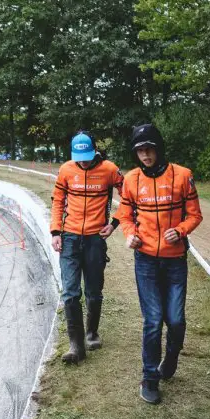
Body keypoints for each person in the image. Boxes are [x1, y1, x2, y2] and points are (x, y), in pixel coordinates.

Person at [115, 124, 203, 405]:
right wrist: (130, 235)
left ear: (159, 148)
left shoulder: (183, 176)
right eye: (140, 150)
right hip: (146, 262)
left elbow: (195, 215)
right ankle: (149, 379)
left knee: (175, 320)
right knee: (153, 321)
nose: (146, 155)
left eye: (150, 148)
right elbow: (125, 216)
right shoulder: (130, 180)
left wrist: (180, 230)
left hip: (175, 260)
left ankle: (172, 356)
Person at [51, 131, 125, 364]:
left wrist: (114, 223)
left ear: (95, 150)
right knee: (70, 292)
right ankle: (76, 345)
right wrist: (55, 231)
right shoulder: (66, 170)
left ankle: (92, 333)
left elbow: (129, 198)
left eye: (87, 155)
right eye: (78, 156)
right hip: (70, 237)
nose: (83, 161)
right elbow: (57, 201)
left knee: (94, 291)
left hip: (95, 239)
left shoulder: (110, 170)